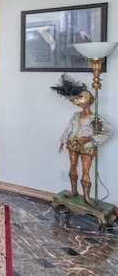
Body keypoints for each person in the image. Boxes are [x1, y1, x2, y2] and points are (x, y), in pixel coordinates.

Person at [51, 74, 113, 207]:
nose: (78, 102)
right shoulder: (75, 115)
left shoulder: (96, 117)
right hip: (73, 143)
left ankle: (86, 197)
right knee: (72, 166)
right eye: (75, 100)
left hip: (87, 146)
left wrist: (91, 138)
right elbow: (69, 128)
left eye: (80, 98)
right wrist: (63, 140)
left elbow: (109, 131)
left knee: (86, 170)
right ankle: (74, 191)